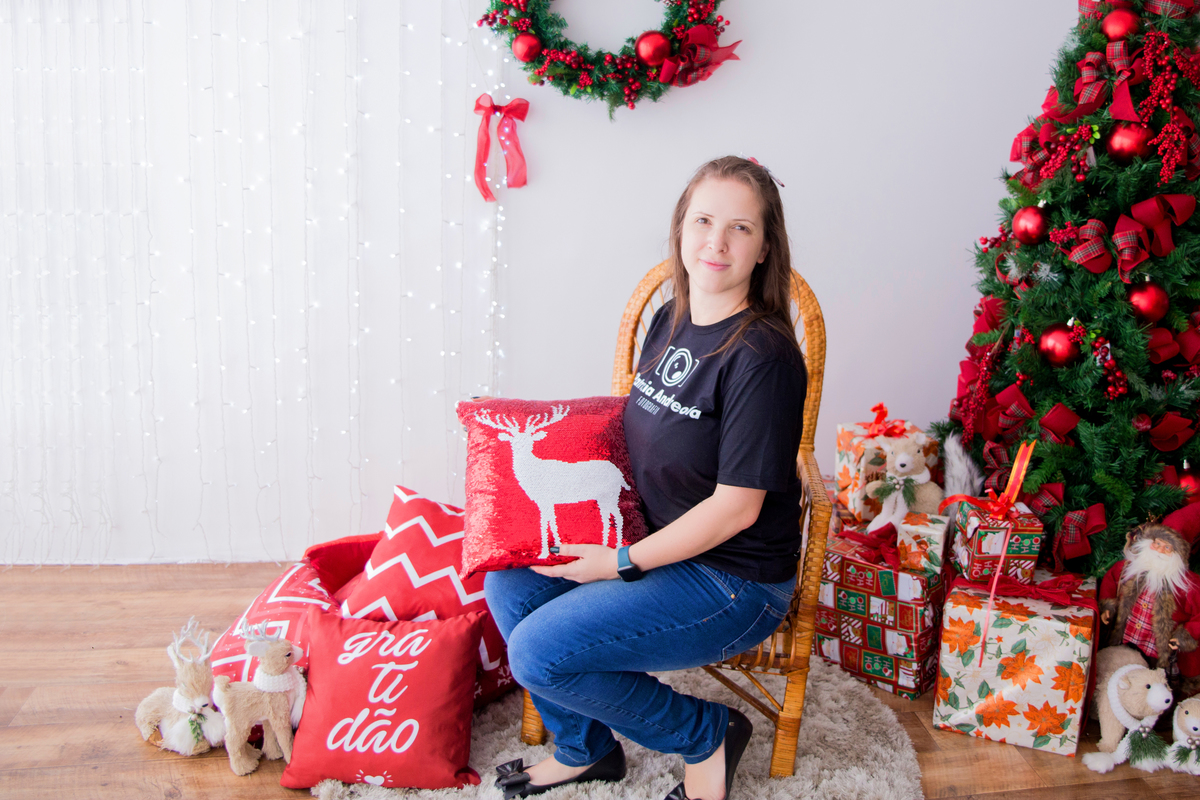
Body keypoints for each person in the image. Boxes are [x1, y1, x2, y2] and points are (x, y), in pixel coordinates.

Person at [484, 155, 807, 800]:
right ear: (681, 230)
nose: (716, 241)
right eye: (704, 220)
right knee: (510, 585)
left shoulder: (762, 357)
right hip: (659, 540)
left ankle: (705, 734)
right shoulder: (671, 318)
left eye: (740, 228)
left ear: (766, 247)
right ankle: (587, 750)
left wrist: (619, 562)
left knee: (537, 652)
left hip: (733, 580)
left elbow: (736, 510)